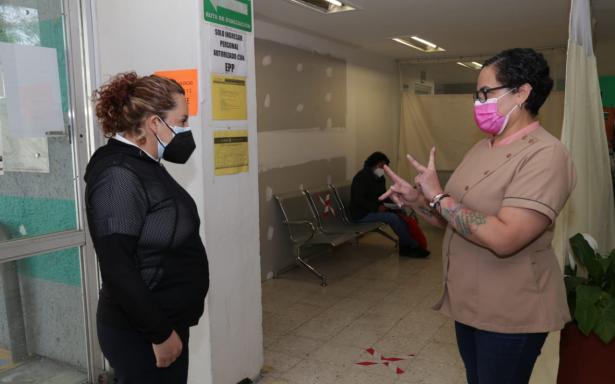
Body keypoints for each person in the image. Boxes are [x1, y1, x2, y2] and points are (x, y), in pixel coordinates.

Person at [380, 48, 576, 384]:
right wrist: (418, 200)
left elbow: (505, 238)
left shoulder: (546, 155)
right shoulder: (482, 147)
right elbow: (452, 219)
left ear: (523, 92)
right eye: (477, 94)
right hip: (468, 303)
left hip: (511, 311)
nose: (478, 103)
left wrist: (438, 195)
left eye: (486, 93)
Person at [84, 72, 209, 384]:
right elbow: (117, 267)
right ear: (155, 123)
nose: (185, 130)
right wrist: (160, 333)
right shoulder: (119, 174)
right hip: (142, 331)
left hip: (165, 320)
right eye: (181, 121)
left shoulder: (144, 164)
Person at [350, 151, 429, 258]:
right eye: (381, 166)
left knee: (401, 212)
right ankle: (413, 245)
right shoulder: (361, 177)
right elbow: (358, 199)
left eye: (385, 166)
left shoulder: (379, 178)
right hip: (361, 213)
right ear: (373, 164)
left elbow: (383, 195)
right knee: (392, 217)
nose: (383, 169)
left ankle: (405, 247)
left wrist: (396, 203)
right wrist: (377, 207)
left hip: (374, 210)